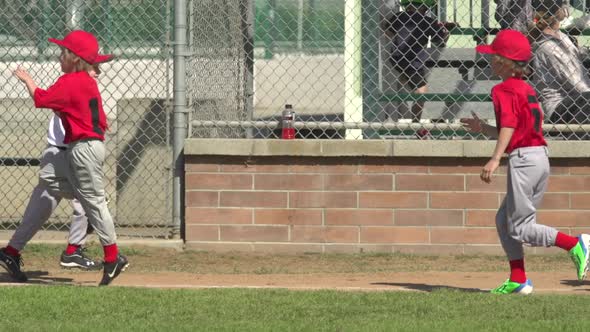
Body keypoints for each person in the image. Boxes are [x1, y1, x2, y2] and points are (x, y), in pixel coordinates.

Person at [461, 29, 590, 294]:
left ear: (502, 62)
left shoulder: (503, 89)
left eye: (494, 56)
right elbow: (517, 129)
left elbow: (508, 126)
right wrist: (483, 127)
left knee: (520, 227)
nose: (490, 61)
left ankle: (575, 244)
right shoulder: (525, 88)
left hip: (524, 160)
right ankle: (518, 279)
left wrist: (495, 158)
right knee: (503, 220)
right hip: (538, 157)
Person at [3, 30, 128, 286]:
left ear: (74, 58)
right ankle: (13, 252)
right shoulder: (85, 81)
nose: (60, 56)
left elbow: (41, 99)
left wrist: (28, 80)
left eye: (63, 53)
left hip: (82, 149)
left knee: (93, 202)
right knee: (51, 178)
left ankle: (112, 257)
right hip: (81, 148)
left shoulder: (71, 81)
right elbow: (96, 116)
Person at [381, 0, 452, 127]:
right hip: (413, 62)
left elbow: (387, 30)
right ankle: (415, 124)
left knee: (405, 75)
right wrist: (446, 30)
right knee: (422, 91)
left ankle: (403, 80)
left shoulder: (399, 16)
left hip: (395, 57)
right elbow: (441, 42)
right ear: (426, 7)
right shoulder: (428, 21)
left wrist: (400, 36)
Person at [529, 0, 590, 130]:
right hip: (559, 109)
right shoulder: (548, 47)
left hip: (578, 101)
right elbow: (578, 85)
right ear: (554, 13)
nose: (565, 7)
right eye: (561, 5)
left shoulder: (562, 37)